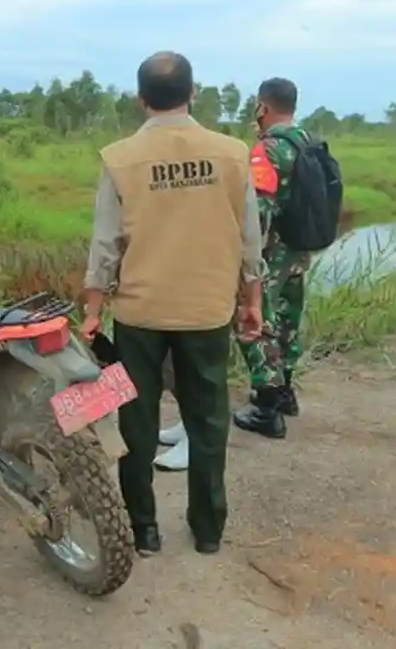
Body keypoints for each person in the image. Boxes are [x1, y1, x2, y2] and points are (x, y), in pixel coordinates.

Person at [81, 52, 263, 557]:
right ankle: (208, 531)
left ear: (141, 99)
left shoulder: (120, 158)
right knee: (208, 422)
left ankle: (143, 530)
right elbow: (250, 237)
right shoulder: (232, 154)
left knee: (136, 423)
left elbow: (105, 245)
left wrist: (93, 311)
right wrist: (252, 300)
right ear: (193, 92)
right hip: (207, 310)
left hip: (140, 314)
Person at [234, 78, 313, 439]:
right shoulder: (307, 141)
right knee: (288, 318)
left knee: (254, 319)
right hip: (299, 247)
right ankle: (285, 394)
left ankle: (266, 407)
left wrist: (249, 258)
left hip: (272, 251)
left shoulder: (269, 149)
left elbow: (259, 211)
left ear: (262, 107)